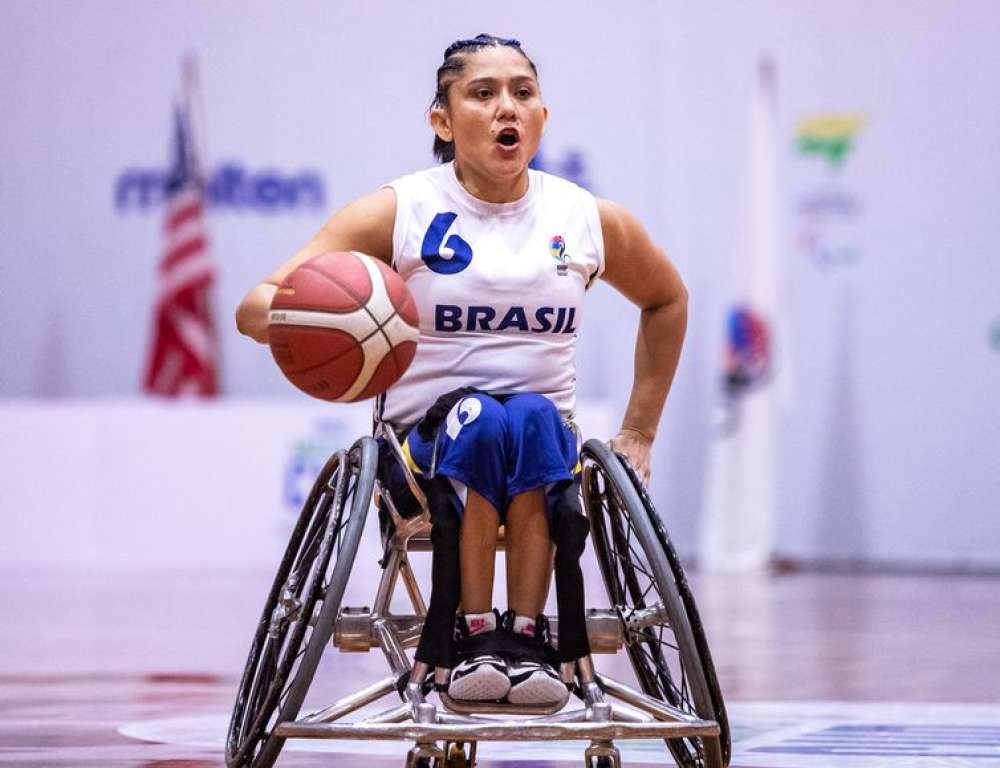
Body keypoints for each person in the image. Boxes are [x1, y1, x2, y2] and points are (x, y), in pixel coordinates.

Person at [235, 34, 687, 707]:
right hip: (422, 453)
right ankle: (472, 634)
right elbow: (255, 306)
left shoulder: (585, 219)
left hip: (543, 442)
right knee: (478, 416)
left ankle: (526, 639)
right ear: (442, 121)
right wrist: (327, 323)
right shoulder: (401, 210)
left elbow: (666, 299)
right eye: (483, 94)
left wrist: (640, 431)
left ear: (543, 115)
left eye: (523, 92)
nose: (507, 107)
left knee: (530, 416)